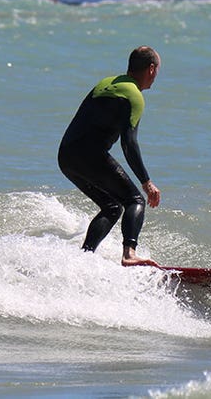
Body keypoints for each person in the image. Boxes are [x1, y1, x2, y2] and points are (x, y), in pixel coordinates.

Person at [58, 46, 163, 266]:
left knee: (112, 207)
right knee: (135, 201)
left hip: (66, 155)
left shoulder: (106, 83)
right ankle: (129, 254)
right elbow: (129, 143)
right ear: (151, 69)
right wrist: (147, 182)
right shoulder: (134, 96)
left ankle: (84, 257)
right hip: (91, 155)